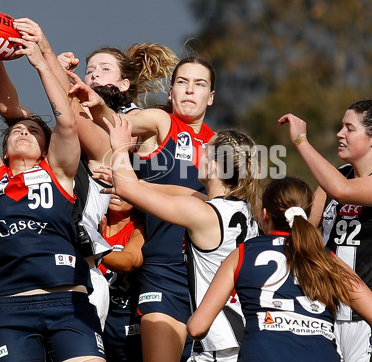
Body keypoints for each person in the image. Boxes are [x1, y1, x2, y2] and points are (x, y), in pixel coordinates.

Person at [0, 18, 177, 330]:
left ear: (123, 84)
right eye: (90, 69)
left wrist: (47, 59)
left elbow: (77, 122)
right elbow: (11, 111)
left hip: (88, 270)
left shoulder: (127, 123)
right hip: (47, 263)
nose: (92, 74)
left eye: (104, 69)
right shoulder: (69, 129)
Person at [0, 26, 105, 361]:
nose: (24, 132)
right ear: (2, 152)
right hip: (9, 308)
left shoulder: (57, 173)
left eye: (32, 130)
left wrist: (42, 64)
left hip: (68, 303)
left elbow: (67, 124)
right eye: (16, 130)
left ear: (47, 149)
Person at [72, 57, 217, 362]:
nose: (190, 91)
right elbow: (115, 122)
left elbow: (227, 204)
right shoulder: (161, 122)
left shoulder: (219, 145)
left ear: (211, 97)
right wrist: (97, 105)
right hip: (163, 271)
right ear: (171, 93)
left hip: (208, 274)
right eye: (182, 82)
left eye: (199, 84)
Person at [99, 114, 260, 362]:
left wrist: (120, 147)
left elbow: (126, 189)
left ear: (215, 166)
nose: (199, 157)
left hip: (217, 342)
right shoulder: (241, 209)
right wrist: (135, 182)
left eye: (205, 153)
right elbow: (180, 192)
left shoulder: (204, 213)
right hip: (240, 333)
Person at [187, 176, 372, 362]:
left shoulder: (242, 254)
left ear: (265, 214)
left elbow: (197, 327)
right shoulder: (328, 259)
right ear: (308, 213)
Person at [278, 92, 372, 362]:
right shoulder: (338, 176)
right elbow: (305, 227)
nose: (340, 133)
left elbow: (342, 191)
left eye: (349, 128)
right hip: (328, 313)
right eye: (342, 126)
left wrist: (301, 141)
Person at [97, 195, 145, 362]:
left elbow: (128, 262)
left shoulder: (139, 227)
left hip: (127, 323)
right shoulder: (93, 222)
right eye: (111, 187)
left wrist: (92, 245)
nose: (115, 193)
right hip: (95, 318)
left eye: (122, 189)